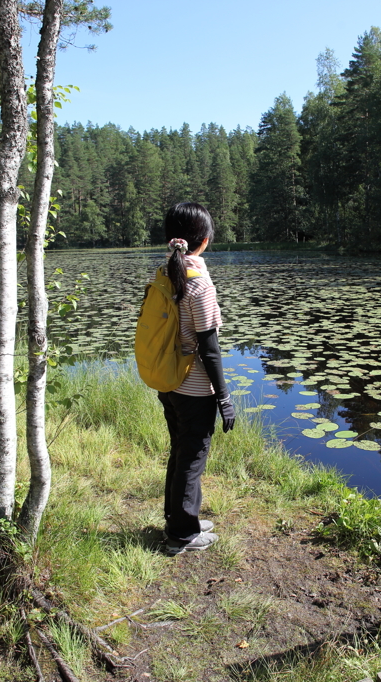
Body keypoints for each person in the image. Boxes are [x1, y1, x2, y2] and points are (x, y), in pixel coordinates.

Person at [156, 202, 235, 555]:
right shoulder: (199, 284)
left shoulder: (164, 273)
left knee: (181, 451)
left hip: (168, 381)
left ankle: (179, 518)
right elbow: (211, 350)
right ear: (204, 241)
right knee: (192, 457)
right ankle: (182, 535)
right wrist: (224, 397)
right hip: (193, 389)